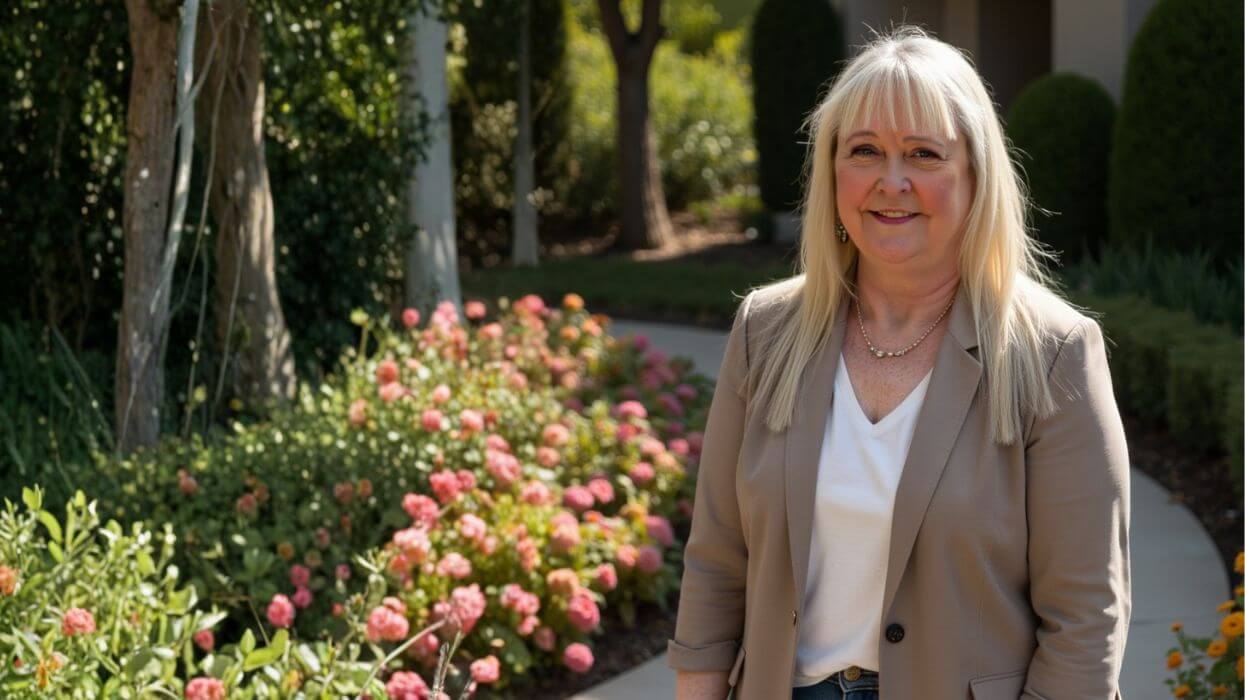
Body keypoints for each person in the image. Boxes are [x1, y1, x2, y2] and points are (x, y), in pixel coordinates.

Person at [668, 25, 1131, 700]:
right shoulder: (764, 333)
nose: (891, 181)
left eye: (923, 154)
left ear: (974, 173)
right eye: (864, 151)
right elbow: (716, 561)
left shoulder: (1052, 354)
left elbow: (1085, 620)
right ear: (831, 172)